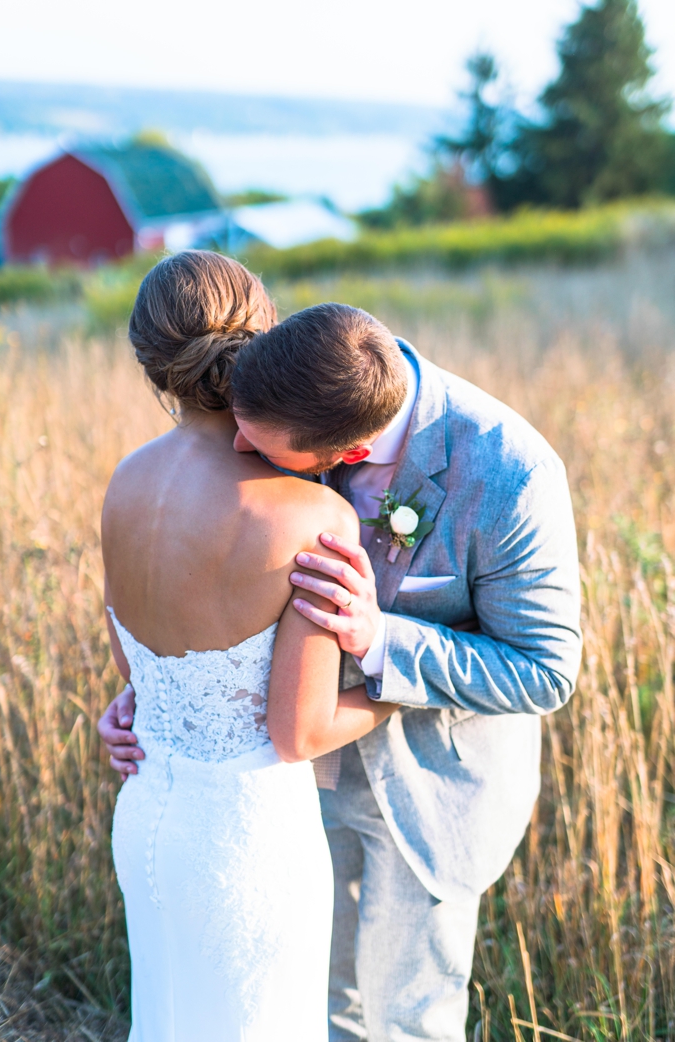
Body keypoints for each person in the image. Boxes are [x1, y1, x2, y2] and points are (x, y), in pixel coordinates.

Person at [100, 301, 582, 1041]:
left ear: (345, 453)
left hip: (429, 796)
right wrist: (155, 692)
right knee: (308, 1013)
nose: (235, 444)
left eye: (256, 445)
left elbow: (544, 670)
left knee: (404, 1023)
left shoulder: (511, 473)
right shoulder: (296, 382)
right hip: (286, 793)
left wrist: (381, 638)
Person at [100, 251, 397, 1039]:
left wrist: (131, 710)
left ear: (150, 366)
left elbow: (140, 666)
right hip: (247, 844)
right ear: (270, 340)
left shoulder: (125, 482)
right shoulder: (310, 517)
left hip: (149, 819)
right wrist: (397, 689)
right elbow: (297, 733)